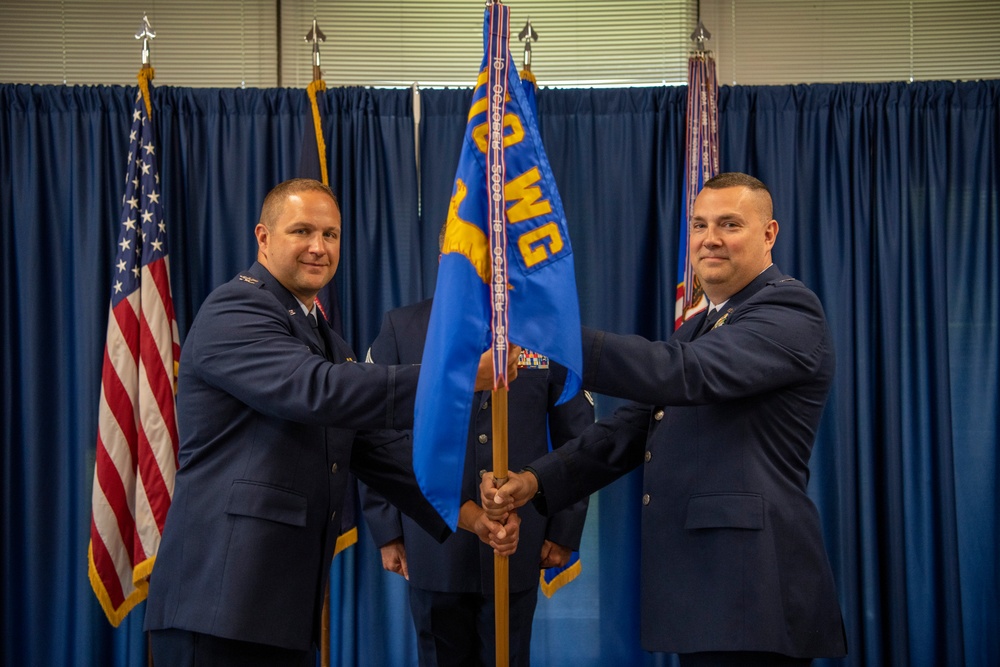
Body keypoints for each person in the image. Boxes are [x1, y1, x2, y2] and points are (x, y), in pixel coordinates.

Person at [144, 178, 519, 667]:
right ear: (263, 237)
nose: (319, 248)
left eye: (331, 234)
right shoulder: (235, 309)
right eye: (302, 231)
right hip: (217, 604)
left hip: (280, 609)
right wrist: (458, 377)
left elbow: (378, 455)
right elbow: (317, 391)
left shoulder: (325, 338)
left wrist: (475, 519)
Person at [481, 172, 848, 666]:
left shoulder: (788, 308)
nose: (710, 238)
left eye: (729, 224)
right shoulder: (700, 324)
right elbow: (631, 429)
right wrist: (533, 481)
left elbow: (683, 374)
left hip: (753, 593)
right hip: (706, 591)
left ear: (769, 234)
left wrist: (554, 333)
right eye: (699, 225)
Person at [360, 240, 595, 666]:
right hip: (431, 542)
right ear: (442, 261)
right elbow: (373, 434)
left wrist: (564, 527)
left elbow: (576, 436)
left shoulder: (545, 329)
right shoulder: (403, 328)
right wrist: (387, 529)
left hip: (517, 538)